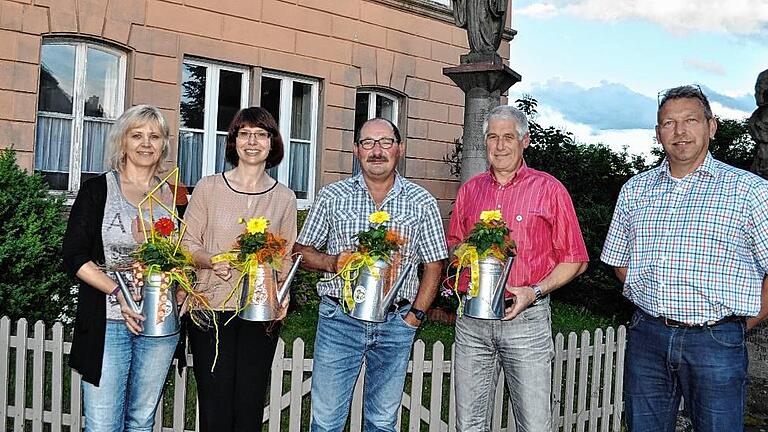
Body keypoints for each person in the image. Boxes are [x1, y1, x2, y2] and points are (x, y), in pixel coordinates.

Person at [601, 85, 768, 432]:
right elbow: (618, 258)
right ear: (658, 132)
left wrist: (741, 324)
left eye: (690, 120)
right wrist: (651, 293)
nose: (680, 131)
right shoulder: (636, 190)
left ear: (711, 126)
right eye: (669, 123)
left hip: (717, 342)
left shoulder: (749, 191)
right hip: (648, 337)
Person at [293, 118, 447, 432]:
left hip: (396, 324)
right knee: (325, 422)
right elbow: (301, 251)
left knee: (382, 422)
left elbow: (434, 265)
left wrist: (415, 316)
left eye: (385, 142)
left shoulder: (422, 202)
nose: (377, 151)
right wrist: (332, 261)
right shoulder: (332, 196)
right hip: (340, 320)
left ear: (400, 149)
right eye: (367, 143)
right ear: (356, 150)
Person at [447, 104, 589, 432]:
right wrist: (466, 255)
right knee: (468, 424)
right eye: (493, 137)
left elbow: (576, 260)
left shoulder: (549, 189)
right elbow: (454, 244)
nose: (500, 146)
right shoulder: (470, 190)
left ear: (524, 140)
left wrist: (533, 291)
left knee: (535, 424)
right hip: (472, 321)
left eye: (508, 137)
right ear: (484, 143)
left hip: (526, 319)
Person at [62, 104, 181, 431]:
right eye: (137, 135)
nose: (146, 143)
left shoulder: (173, 196)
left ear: (164, 145)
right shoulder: (98, 189)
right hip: (108, 321)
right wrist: (118, 291)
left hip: (159, 326)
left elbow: (184, 255)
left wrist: (183, 291)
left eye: (155, 136)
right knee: (102, 424)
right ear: (123, 142)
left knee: (141, 421)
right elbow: (73, 255)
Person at [182, 107, 297, 432]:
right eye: (244, 133)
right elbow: (187, 244)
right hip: (209, 309)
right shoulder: (208, 188)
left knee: (248, 408)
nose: (252, 141)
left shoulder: (284, 198)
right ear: (233, 141)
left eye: (261, 134)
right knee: (215, 408)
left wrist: (282, 295)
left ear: (273, 143)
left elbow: (286, 257)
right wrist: (210, 259)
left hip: (260, 315)